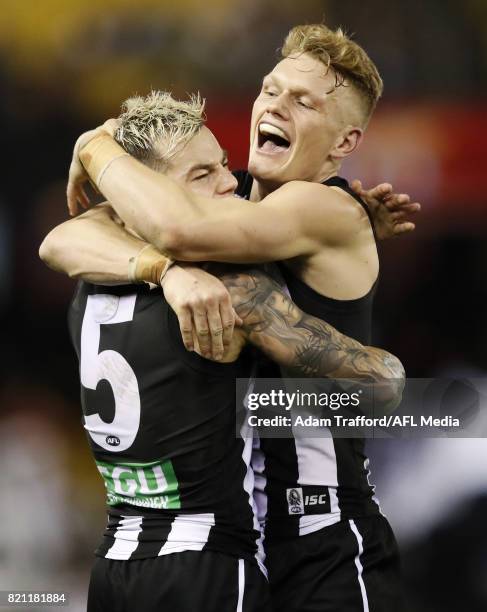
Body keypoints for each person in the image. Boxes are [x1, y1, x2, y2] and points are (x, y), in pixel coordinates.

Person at [63, 23, 417, 611]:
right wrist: (165, 271)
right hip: (248, 543)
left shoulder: (319, 204)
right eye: (270, 89)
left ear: (343, 143)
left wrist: (95, 147)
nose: (276, 105)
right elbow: (63, 238)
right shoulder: (237, 201)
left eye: (303, 101)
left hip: (321, 537)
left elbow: (177, 227)